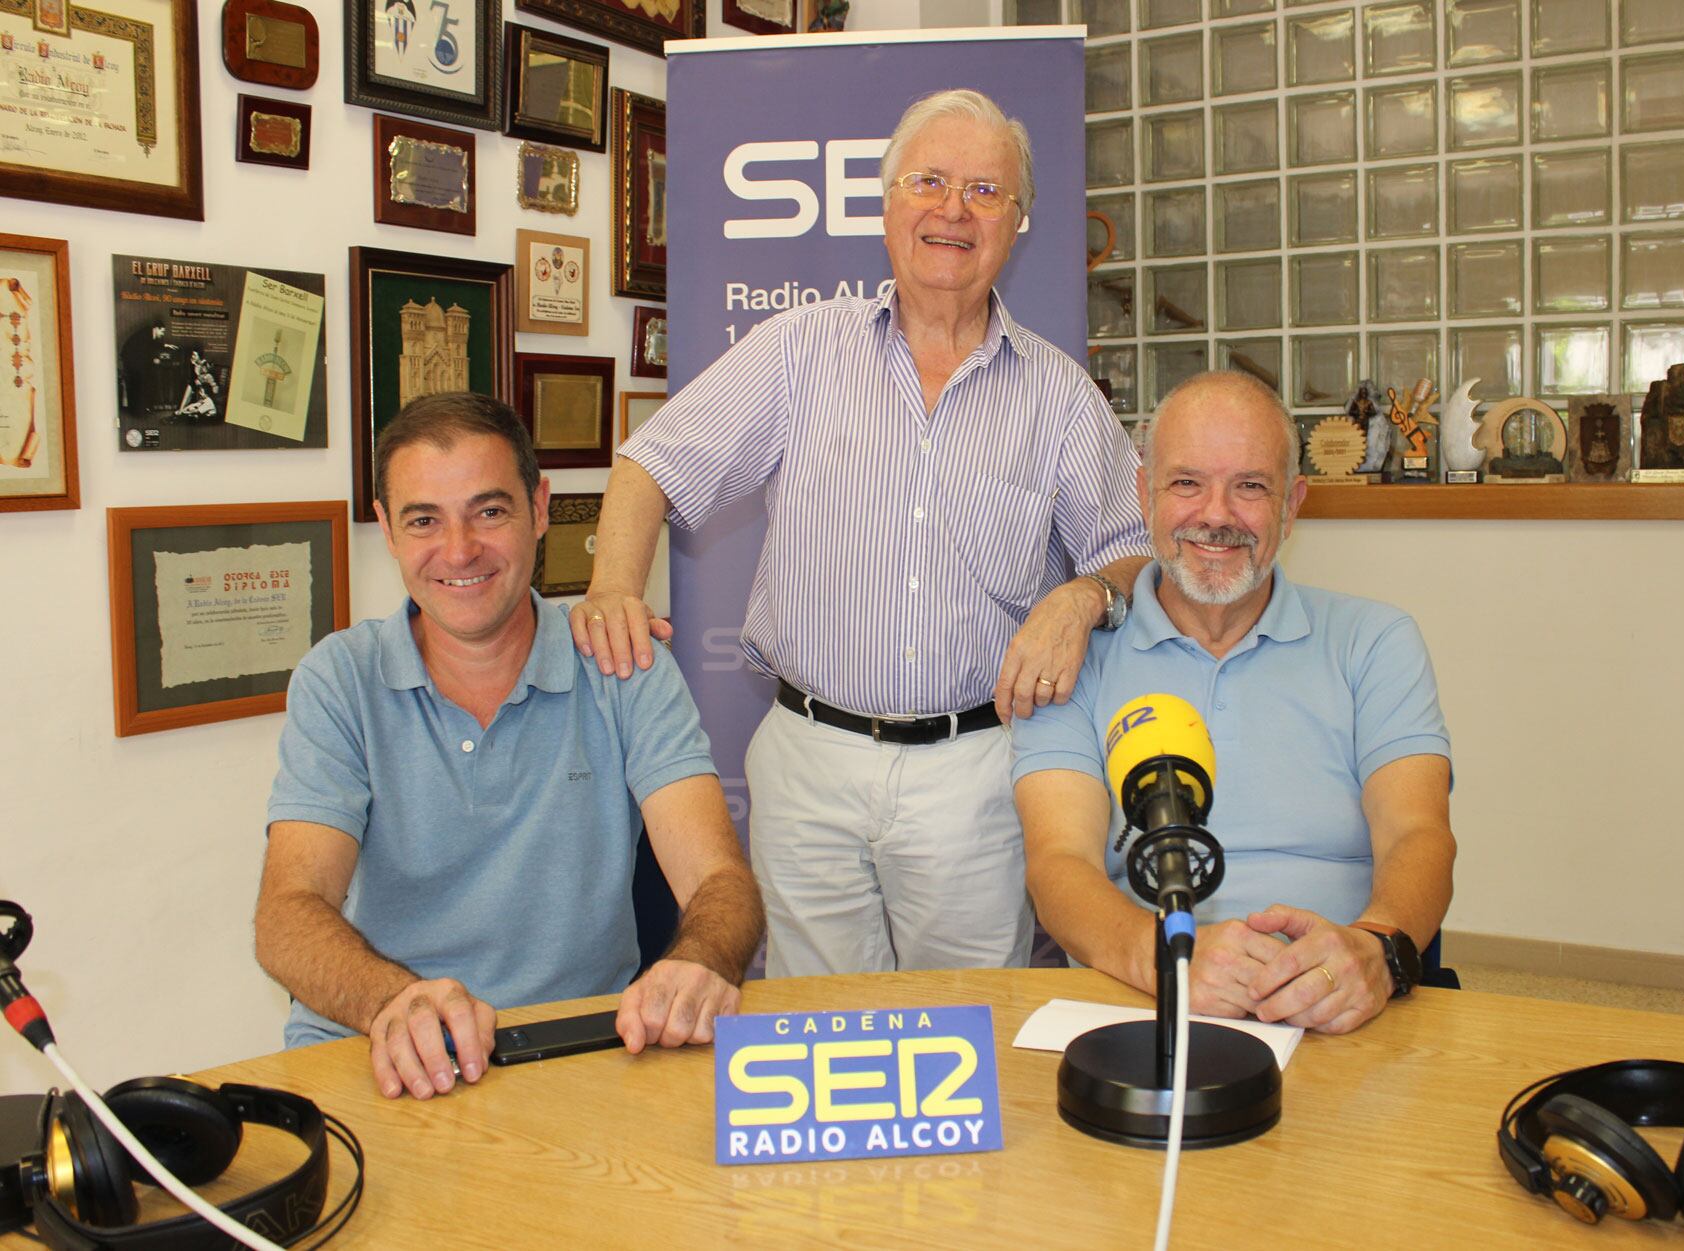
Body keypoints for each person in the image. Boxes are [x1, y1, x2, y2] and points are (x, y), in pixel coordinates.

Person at [568, 89, 1151, 977]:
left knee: (969, 1038)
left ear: (1019, 223)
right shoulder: (799, 349)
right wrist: (614, 584)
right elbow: (651, 464)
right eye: (930, 181)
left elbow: (1131, 550)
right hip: (810, 760)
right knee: (817, 1032)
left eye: (986, 192)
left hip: (978, 769)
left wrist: (1084, 593)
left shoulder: (1060, 395)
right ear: (887, 207)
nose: (954, 210)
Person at [253, 393, 762, 1100]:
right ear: (387, 531)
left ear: (540, 507)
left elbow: (721, 882)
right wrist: (395, 1005)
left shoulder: (622, 665)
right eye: (424, 520)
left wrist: (701, 961)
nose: (459, 550)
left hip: (575, 1056)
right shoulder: (340, 679)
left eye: (489, 511)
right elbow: (287, 912)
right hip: (380, 1052)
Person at [1011, 371, 1455, 1034]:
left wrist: (1375, 947)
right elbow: (1057, 865)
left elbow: (1419, 835)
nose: (1216, 514)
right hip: (1141, 1001)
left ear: (1292, 503)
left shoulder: (1375, 642)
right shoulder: (1074, 656)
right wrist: (1163, 958)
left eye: (1250, 485)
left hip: (1340, 1011)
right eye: (1186, 483)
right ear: (1143, 494)